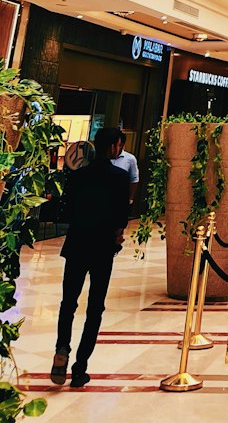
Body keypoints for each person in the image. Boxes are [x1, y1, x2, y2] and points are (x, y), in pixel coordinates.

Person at [51, 125, 130, 389]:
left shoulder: (78, 175)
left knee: (68, 302)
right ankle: (80, 368)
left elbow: (67, 209)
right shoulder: (119, 177)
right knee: (95, 308)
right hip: (102, 248)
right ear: (113, 146)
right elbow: (122, 216)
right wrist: (116, 234)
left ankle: (62, 348)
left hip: (77, 244)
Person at [110, 130, 140, 206]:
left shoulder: (130, 159)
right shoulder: (104, 157)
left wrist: (130, 198)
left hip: (119, 198)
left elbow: (134, 180)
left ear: (122, 145)